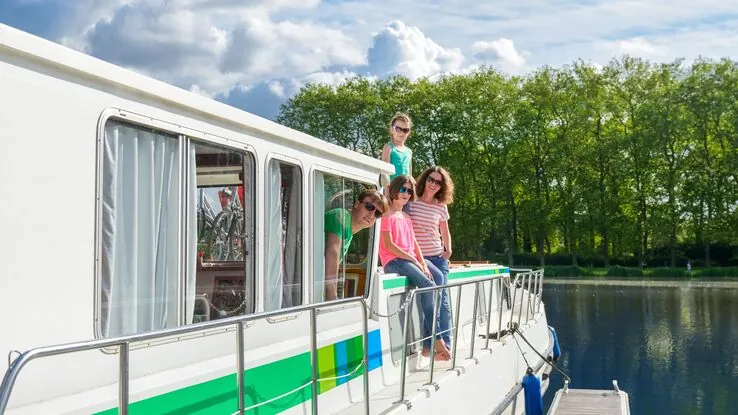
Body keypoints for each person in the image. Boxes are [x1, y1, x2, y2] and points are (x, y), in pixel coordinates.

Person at [379, 175, 451, 361]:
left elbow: (414, 243)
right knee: (427, 284)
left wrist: (421, 261)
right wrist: (415, 261)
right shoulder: (386, 215)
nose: (406, 193)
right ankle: (436, 339)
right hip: (395, 260)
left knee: (438, 279)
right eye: (403, 189)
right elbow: (389, 245)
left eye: (410, 191)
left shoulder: (405, 216)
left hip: (409, 258)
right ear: (394, 190)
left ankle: (429, 344)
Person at [406, 166, 455, 349]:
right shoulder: (411, 202)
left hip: (438, 257)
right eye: (431, 180)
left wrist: (447, 249)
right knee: (429, 300)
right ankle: (430, 344)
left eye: (438, 182)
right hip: (420, 258)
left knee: (443, 303)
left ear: (442, 186)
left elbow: (444, 231)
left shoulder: (441, 206)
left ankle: (446, 345)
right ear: (425, 180)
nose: (434, 184)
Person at [324, 189, 389, 301]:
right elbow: (331, 254)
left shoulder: (349, 230)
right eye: (369, 207)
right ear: (357, 204)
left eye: (378, 213)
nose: (372, 214)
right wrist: (332, 296)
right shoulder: (341, 216)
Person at [381, 112, 413, 180]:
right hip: (393, 188)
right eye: (398, 129)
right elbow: (385, 174)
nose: (401, 133)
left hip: (405, 189)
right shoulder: (388, 147)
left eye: (405, 130)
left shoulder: (409, 151)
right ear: (392, 129)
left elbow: (410, 175)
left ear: (409, 132)